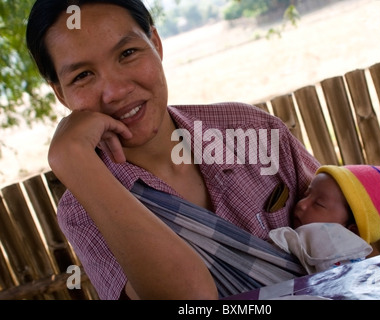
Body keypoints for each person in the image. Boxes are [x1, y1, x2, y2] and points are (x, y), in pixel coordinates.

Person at [26, 0, 321, 299]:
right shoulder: (83, 211)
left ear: (155, 43)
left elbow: (352, 225)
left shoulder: (252, 130)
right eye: (83, 76)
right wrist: (72, 161)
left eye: (127, 54)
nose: (115, 92)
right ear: (61, 94)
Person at [269, 163, 380, 274]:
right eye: (306, 194)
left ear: (351, 230)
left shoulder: (336, 249)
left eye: (318, 204)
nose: (302, 204)